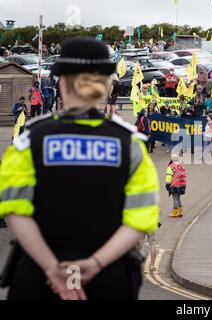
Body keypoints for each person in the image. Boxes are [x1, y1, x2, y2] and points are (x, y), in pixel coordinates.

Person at [0, 38, 160, 300]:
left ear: (61, 81)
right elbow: (141, 218)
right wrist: (95, 264)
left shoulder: (30, 140)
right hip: (107, 279)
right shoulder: (130, 144)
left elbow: (15, 209)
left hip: (38, 279)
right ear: (106, 84)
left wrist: (52, 268)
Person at [166, 153, 187, 218]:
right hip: (182, 184)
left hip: (175, 184)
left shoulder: (171, 166)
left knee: (175, 198)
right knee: (178, 198)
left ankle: (175, 213)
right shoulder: (181, 165)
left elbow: (169, 176)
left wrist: (167, 184)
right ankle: (180, 212)